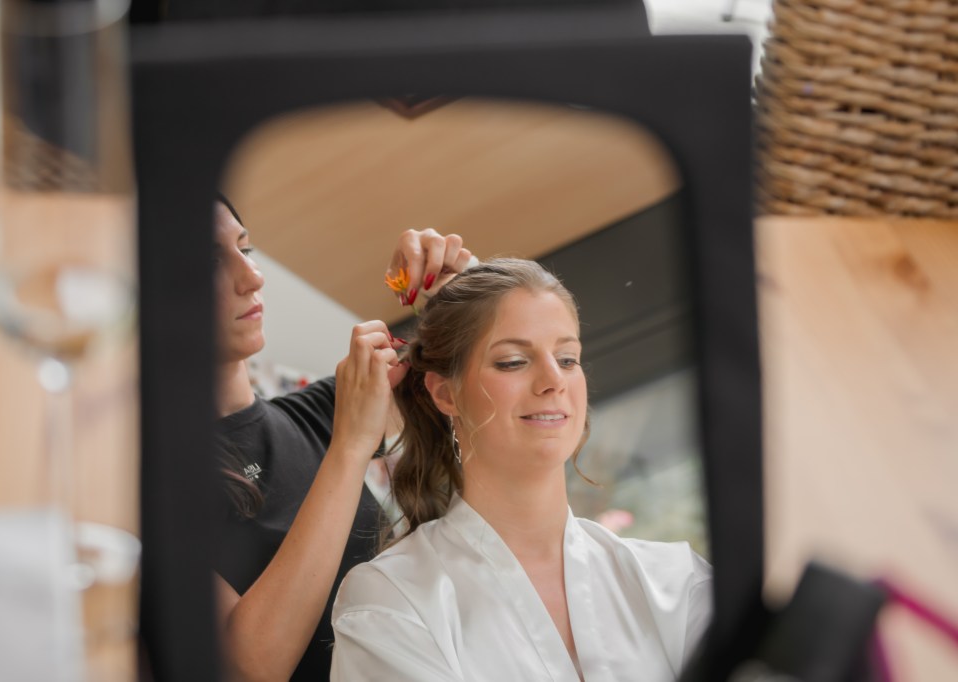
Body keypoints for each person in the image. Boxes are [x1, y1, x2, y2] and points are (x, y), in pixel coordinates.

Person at [330, 258, 712, 682]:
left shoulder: (676, 581)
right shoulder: (392, 599)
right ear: (446, 393)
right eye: (512, 361)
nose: (554, 380)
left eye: (567, 359)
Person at [209, 194, 475, 682]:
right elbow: (250, 668)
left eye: (245, 250)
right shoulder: (141, 489)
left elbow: (485, 392)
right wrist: (349, 448)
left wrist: (459, 291)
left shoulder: (322, 410)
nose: (252, 277)